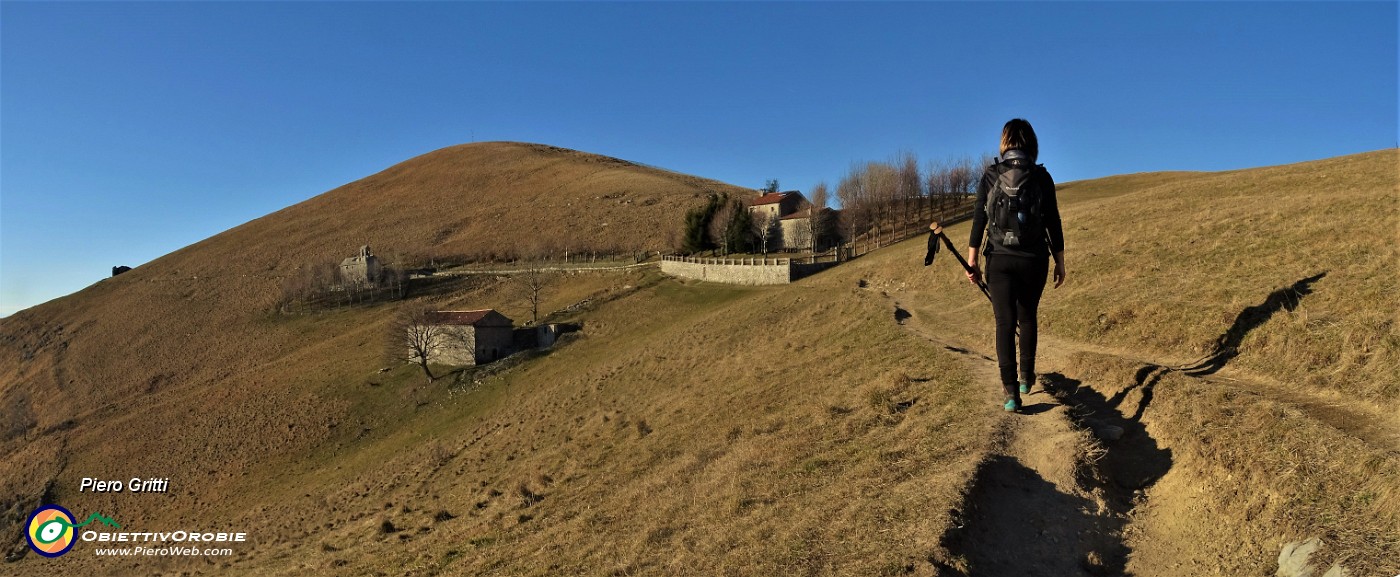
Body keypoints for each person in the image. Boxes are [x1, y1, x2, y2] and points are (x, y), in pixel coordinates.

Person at [966, 119, 1066, 412]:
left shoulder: (990, 175)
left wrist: (972, 260)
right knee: (1028, 317)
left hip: (999, 259)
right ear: (1032, 145)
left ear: (1004, 143)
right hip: (1034, 259)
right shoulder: (1042, 177)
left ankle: (1011, 393)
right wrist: (1060, 262)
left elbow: (979, 220)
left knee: (1004, 323)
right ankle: (1026, 378)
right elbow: (1053, 222)